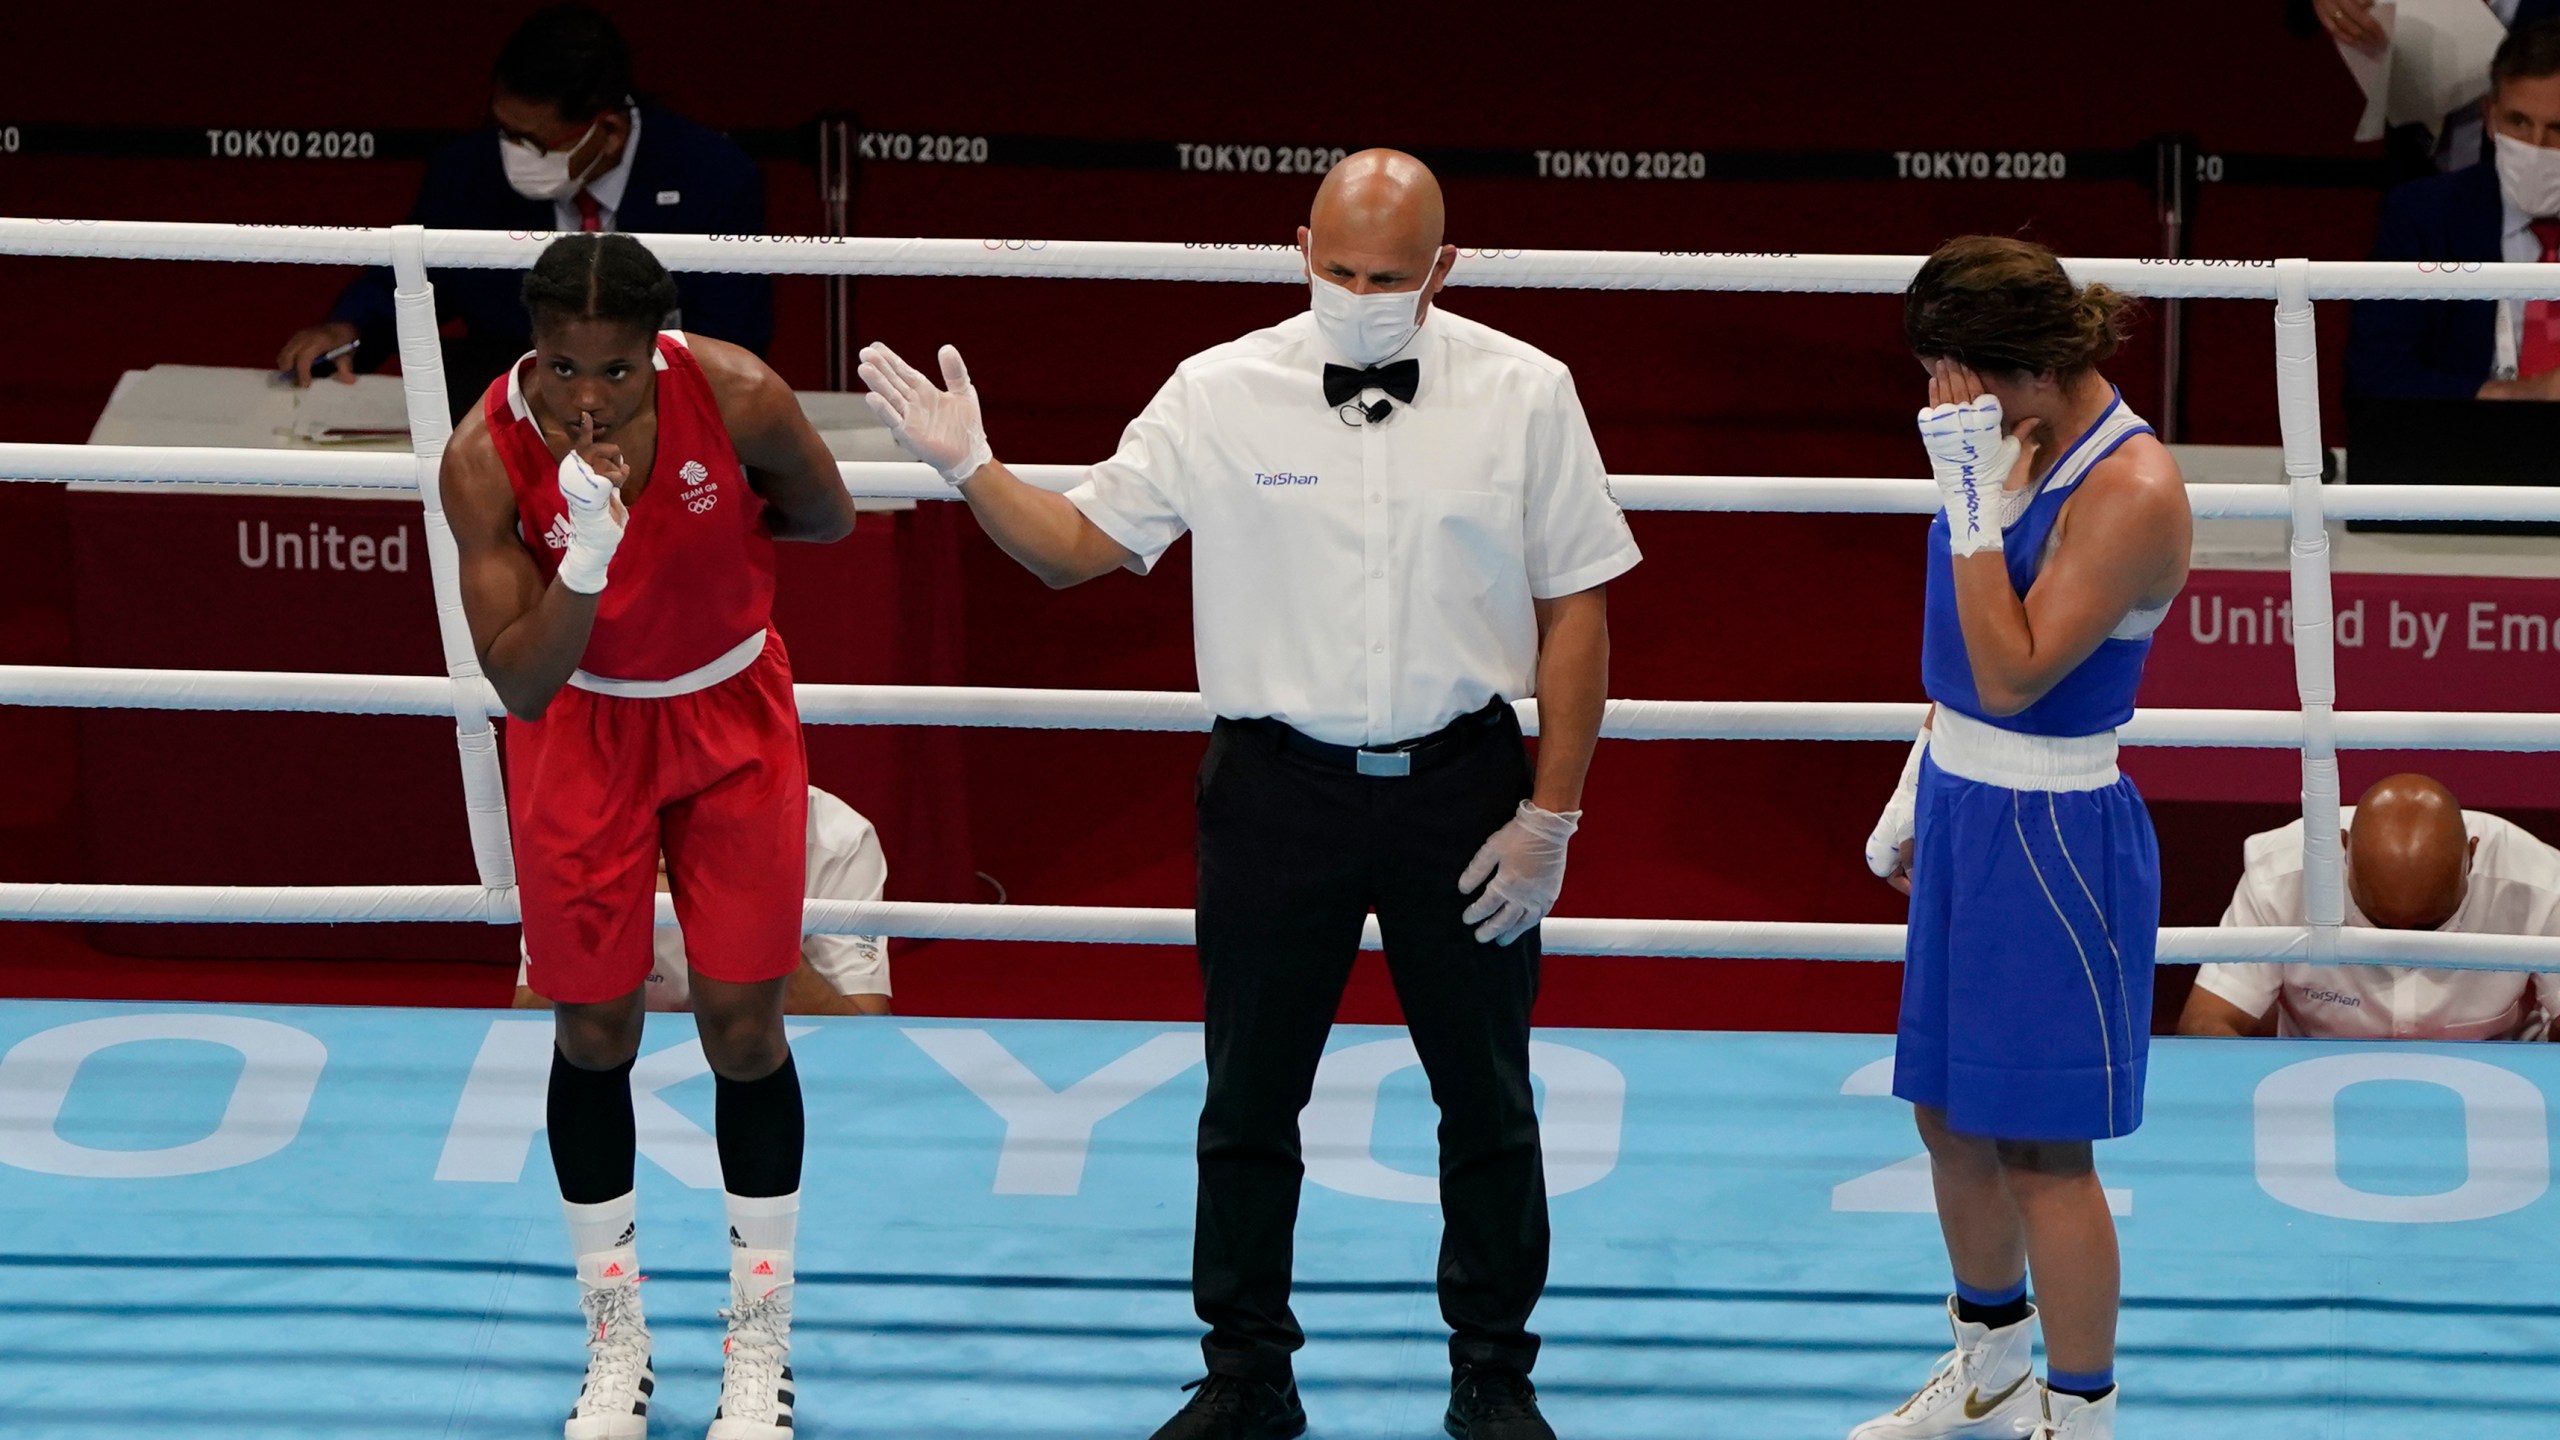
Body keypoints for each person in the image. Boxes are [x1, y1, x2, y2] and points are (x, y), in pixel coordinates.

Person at [859, 149, 1637, 1440]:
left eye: (1389, 276)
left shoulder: (1527, 393)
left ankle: (1494, 1375)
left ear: (1445, 270)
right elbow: (1079, 549)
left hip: (1463, 785)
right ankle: (1245, 1375)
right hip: (1277, 792)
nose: (1360, 292)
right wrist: (972, 469)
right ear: (1297, 247)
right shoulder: (1217, 393)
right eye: (1337, 268)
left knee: (1488, 1097)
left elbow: (1578, 611)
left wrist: (1550, 814)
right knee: (1249, 1093)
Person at [441, 231, 853, 1440]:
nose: (586, 400)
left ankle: (758, 1347)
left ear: (655, 351)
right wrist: (587, 563)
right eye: (564, 370)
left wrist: (704, 535)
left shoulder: (737, 393)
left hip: (730, 714)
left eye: (615, 372)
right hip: (582, 730)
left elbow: (824, 516)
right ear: (533, 349)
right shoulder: (482, 460)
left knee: (741, 1027)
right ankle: (616, 1345)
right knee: (595, 1027)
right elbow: (519, 684)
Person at [1858, 236, 2190, 1440]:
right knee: (1946, 1113)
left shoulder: (2132, 489)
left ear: (2036, 368)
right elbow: (1961, 669)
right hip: (1964, 798)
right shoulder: (2010, 433)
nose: (1944, 402)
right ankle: (1991, 1378)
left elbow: (2011, 673)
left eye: (1960, 374)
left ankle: (2081, 1416)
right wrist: (1919, 780)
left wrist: (1961, 498)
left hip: (2051, 832)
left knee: (2045, 1152)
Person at [274, 4, 771, 413]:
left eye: (532, 141)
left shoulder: (714, 177)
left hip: (659, 408)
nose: (510, 152)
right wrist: (350, 327)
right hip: (508, 406)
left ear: (610, 131)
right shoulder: (467, 173)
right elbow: (409, 279)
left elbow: (733, 335)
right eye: (503, 130)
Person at [2179, 774, 2560, 1039]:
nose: (2402, 954)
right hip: (2311, 1074)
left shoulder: (2539, 881)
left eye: (2429, 928)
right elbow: (2207, 1021)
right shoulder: (2281, 873)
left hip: (2496, 1076)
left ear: (2471, 857)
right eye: (2379, 924)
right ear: (2343, 851)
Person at [511, 783, 895, 1017]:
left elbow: (860, 1037)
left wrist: (741, 915)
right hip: (625, 1069)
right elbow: (528, 1020)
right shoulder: (586, 824)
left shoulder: (838, 837)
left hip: (771, 1068)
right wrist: (620, 905)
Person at [2346, 17, 2560, 399]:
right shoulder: (2425, 216)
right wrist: (2508, 395)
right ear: (2490, 118)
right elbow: (2374, 376)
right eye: (2518, 122)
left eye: (2558, 128)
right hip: (2468, 447)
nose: (2536, 145)